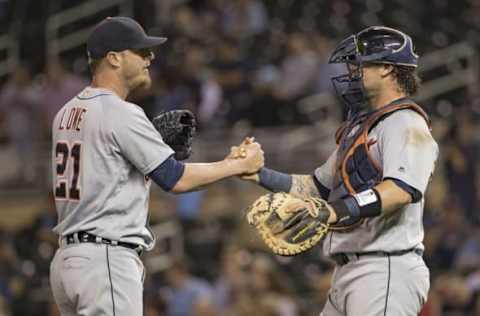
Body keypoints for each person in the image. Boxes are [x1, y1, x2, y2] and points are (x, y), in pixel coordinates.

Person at [49, 17, 264, 316]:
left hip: (68, 262)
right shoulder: (120, 113)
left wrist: (149, 148)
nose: (149, 57)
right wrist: (235, 164)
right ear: (113, 58)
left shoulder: (65, 113)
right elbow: (176, 179)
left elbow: (106, 169)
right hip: (105, 259)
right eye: (139, 51)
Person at [235, 26, 439, 316]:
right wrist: (259, 174)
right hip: (348, 272)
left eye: (360, 64)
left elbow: (401, 190)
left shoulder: (405, 122)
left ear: (385, 68)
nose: (353, 72)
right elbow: (317, 188)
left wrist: (333, 211)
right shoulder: (362, 127)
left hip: (384, 269)